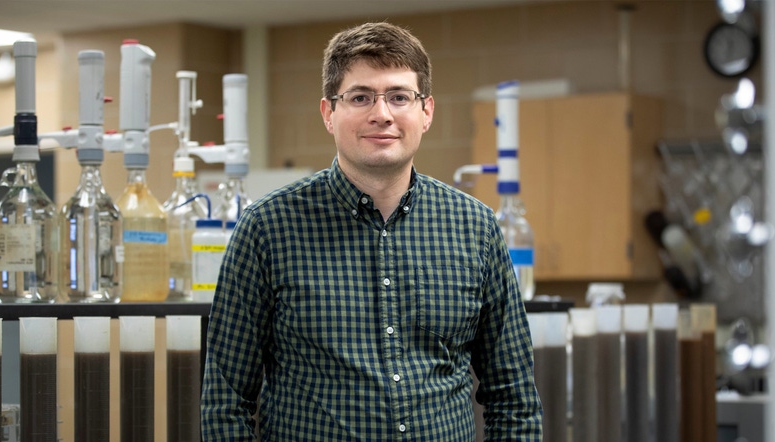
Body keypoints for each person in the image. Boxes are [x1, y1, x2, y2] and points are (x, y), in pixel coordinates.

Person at [201, 21, 542, 441]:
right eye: (360, 97)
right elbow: (225, 402)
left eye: (399, 97)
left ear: (426, 111)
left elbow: (515, 400)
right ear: (329, 113)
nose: (382, 114)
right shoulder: (268, 229)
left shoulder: (475, 228)